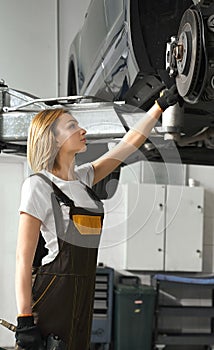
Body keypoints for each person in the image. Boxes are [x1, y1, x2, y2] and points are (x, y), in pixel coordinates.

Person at [15, 85, 179, 350]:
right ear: (54, 139)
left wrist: (159, 106)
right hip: (52, 294)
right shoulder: (38, 186)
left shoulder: (84, 179)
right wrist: (24, 320)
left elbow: (129, 144)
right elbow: (23, 259)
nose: (83, 130)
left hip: (84, 291)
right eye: (71, 126)